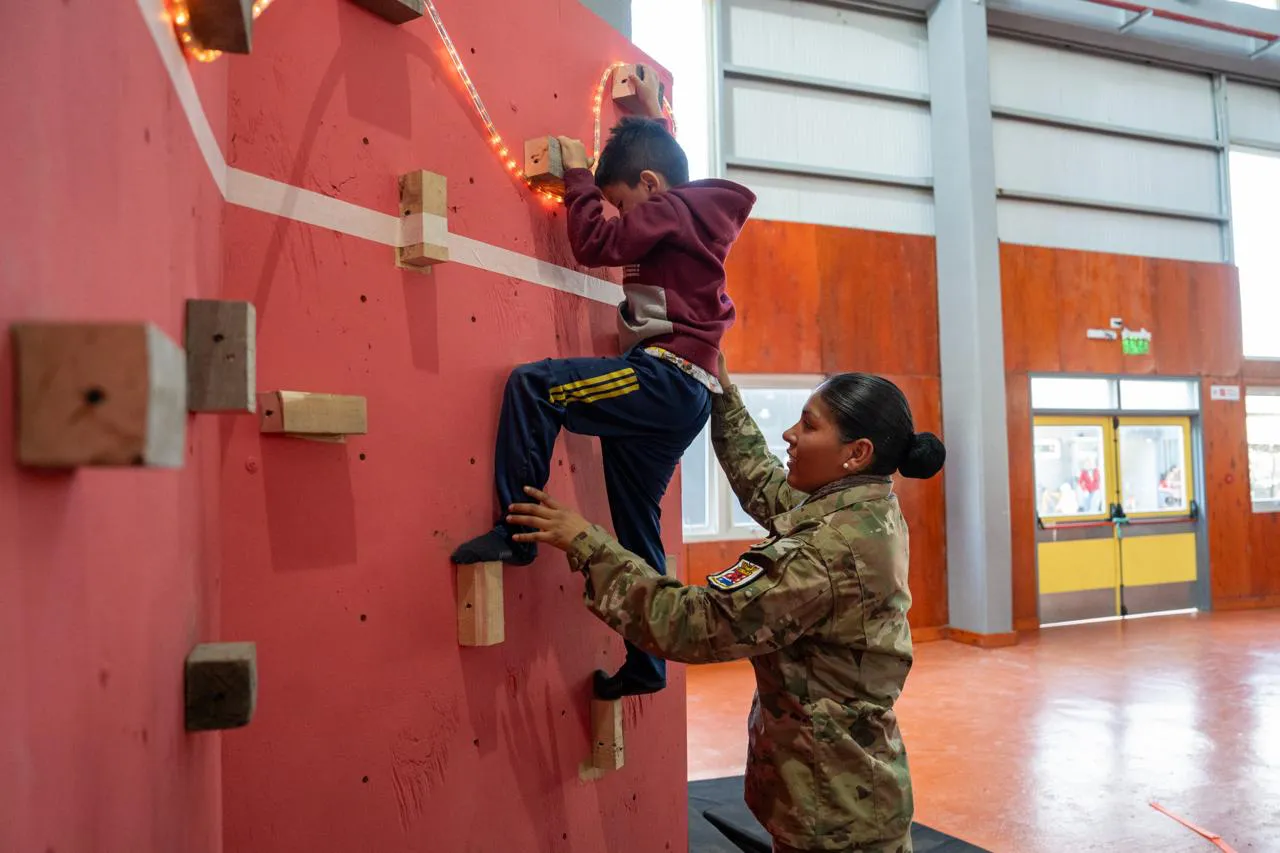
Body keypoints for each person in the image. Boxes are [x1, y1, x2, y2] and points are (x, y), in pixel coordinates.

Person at [507, 355, 946, 853]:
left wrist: (587, 543)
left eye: (809, 425)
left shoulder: (824, 552)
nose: (790, 434)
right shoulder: (863, 506)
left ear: (856, 452)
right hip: (842, 792)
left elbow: (695, 626)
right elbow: (763, 483)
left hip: (837, 817)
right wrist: (721, 389)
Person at [451, 67, 757, 701]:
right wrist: (651, 119)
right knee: (637, 525)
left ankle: (515, 534)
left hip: (666, 378)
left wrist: (579, 180)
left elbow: (594, 242)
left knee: (536, 388)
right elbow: (658, 165)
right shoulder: (687, 210)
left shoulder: (674, 207)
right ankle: (648, 663)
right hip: (684, 394)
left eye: (623, 201)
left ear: (650, 186)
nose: (620, 216)